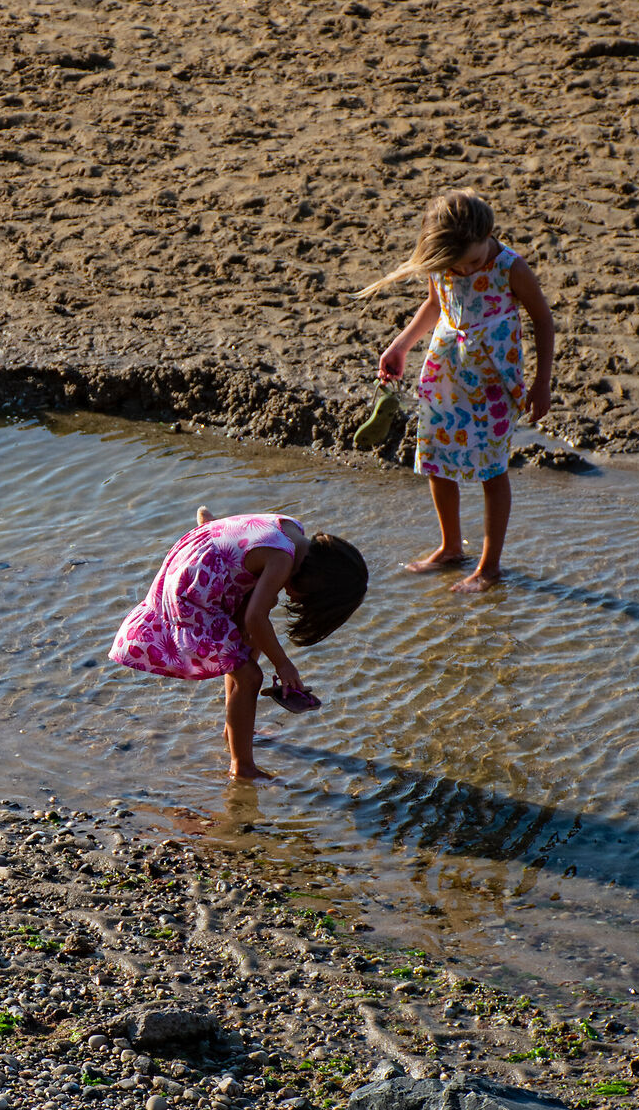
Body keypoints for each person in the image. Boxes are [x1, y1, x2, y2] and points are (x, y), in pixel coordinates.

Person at [362, 187, 556, 589]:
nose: (465, 271)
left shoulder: (508, 267)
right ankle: (450, 545)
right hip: (446, 372)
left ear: (489, 235)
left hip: (493, 382)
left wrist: (541, 383)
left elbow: (542, 320)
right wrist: (400, 345)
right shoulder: (444, 263)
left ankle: (489, 567)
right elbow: (435, 305)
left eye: (472, 261)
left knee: (491, 470)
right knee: (434, 458)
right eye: (457, 264)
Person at [110, 510, 367, 780]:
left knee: (248, 643)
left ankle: (234, 730)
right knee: (250, 676)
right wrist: (283, 664)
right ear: (316, 582)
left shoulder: (292, 529)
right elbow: (255, 617)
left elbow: (242, 540)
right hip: (190, 598)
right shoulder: (282, 560)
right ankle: (242, 766)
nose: (292, 596)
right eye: (304, 599)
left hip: (195, 563)